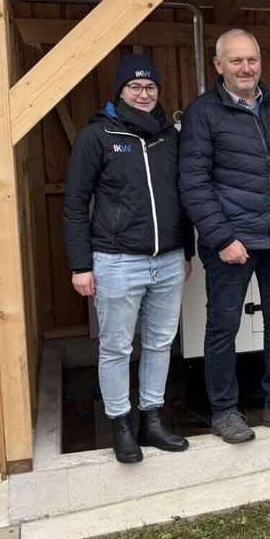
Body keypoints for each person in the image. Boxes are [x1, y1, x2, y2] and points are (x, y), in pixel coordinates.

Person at [179, 28, 270, 444]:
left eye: (252, 60)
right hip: (232, 243)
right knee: (223, 326)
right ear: (219, 66)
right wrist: (222, 238)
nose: (246, 68)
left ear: (261, 62)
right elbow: (193, 184)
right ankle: (224, 411)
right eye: (236, 61)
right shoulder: (203, 113)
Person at [63, 53, 193, 464]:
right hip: (117, 261)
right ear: (120, 91)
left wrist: (186, 251)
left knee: (159, 343)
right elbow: (74, 204)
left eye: (150, 87)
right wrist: (81, 265)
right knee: (117, 346)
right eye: (134, 87)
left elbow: (183, 198)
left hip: (169, 260)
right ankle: (120, 425)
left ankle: (150, 421)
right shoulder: (98, 136)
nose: (143, 94)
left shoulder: (169, 137)